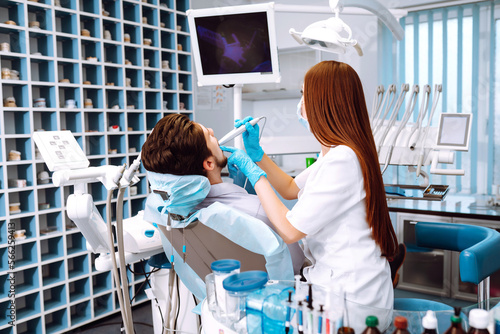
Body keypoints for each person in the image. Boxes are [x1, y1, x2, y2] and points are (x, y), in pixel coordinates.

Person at [221, 61, 399, 329]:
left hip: (353, 299)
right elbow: (292, 188)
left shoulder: (343, 158)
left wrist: (254, 175)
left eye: (305, 94)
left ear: (323, 102)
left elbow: (290, 231)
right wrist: (258, 156)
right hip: (341, 284)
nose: (301, 103)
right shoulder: (334, 151)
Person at [141, 113, 305, 275]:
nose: (212, 131)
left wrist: (240, 187)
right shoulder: (258, 212)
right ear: (209, 163)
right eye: (208, 135)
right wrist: (256, 176)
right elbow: (296, 263)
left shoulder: (175, 212)